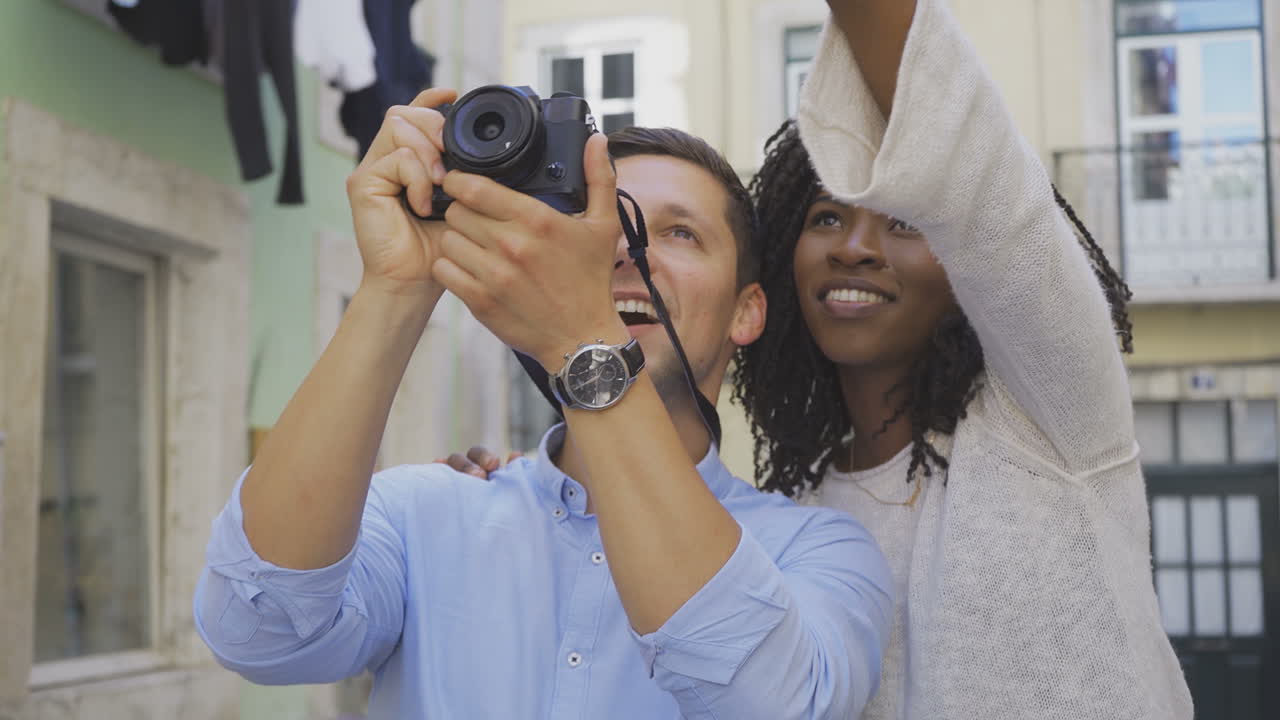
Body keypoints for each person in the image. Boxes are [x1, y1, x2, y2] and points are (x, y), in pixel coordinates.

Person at [453, 1, 1193, 717]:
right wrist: (548, 494)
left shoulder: (1053, 408)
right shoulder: (797, 522)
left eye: (904, 220)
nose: (855, 246)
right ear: (768, 287)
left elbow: (969, 157)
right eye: (826, 217)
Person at [192, 86, 893, 718]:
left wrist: (583, 337)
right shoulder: (421, 514)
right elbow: (258, 631)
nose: (620, 251)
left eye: (679, 232)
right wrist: (398, 285)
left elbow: (775, 702)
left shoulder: (818, 554)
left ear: (747, 311)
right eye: (597, 221)